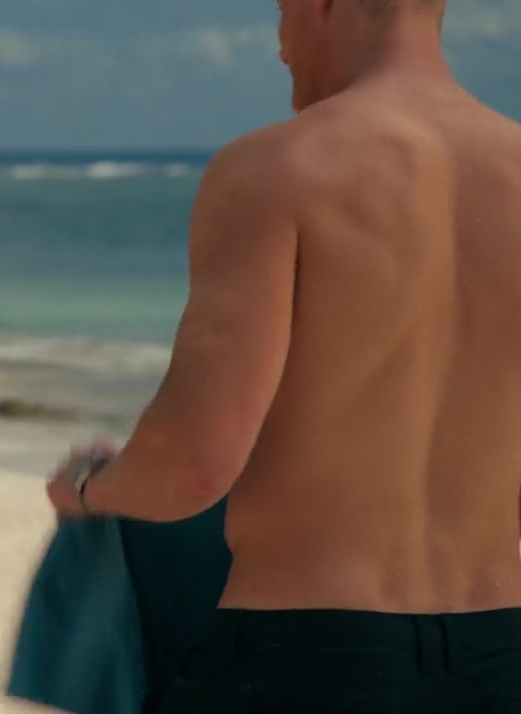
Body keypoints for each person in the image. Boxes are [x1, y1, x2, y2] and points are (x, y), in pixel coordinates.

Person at [46, 0, 521, 711]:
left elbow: (192, 467)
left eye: (281, 12)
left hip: (305, 656)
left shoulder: (278, 169)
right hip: (505, 652)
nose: (280, 48)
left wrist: (89, 489)